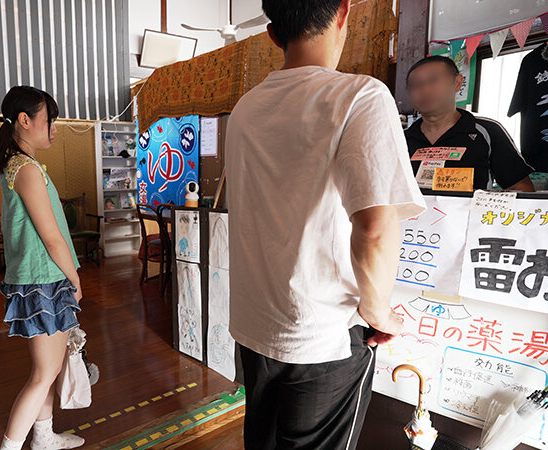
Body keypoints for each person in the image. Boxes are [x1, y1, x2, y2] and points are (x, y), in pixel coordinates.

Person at [225, 1, 426, 448]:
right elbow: (374, 227)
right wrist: (378, 312)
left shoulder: (246, 107)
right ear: (343, 13)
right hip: (324, 333)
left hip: (256, 322)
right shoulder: (359, 95)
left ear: (273, 34)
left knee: (263, 440)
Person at [0, 86, 84, 450]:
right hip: (44, 280)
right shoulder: (27, 169)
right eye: (50, 121)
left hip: (41, 279)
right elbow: (52, 239)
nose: (54, 129)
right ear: (25, 120)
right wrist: (75, 278)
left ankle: (44, 436)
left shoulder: (19, 165)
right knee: (44, 374)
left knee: (48, 370)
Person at [405, 55, 535, 191]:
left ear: (457, 83)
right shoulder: (399, 139)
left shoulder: (488, 131)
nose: (425, 90)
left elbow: (521, 187)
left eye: (433, 80)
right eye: (416, 85)